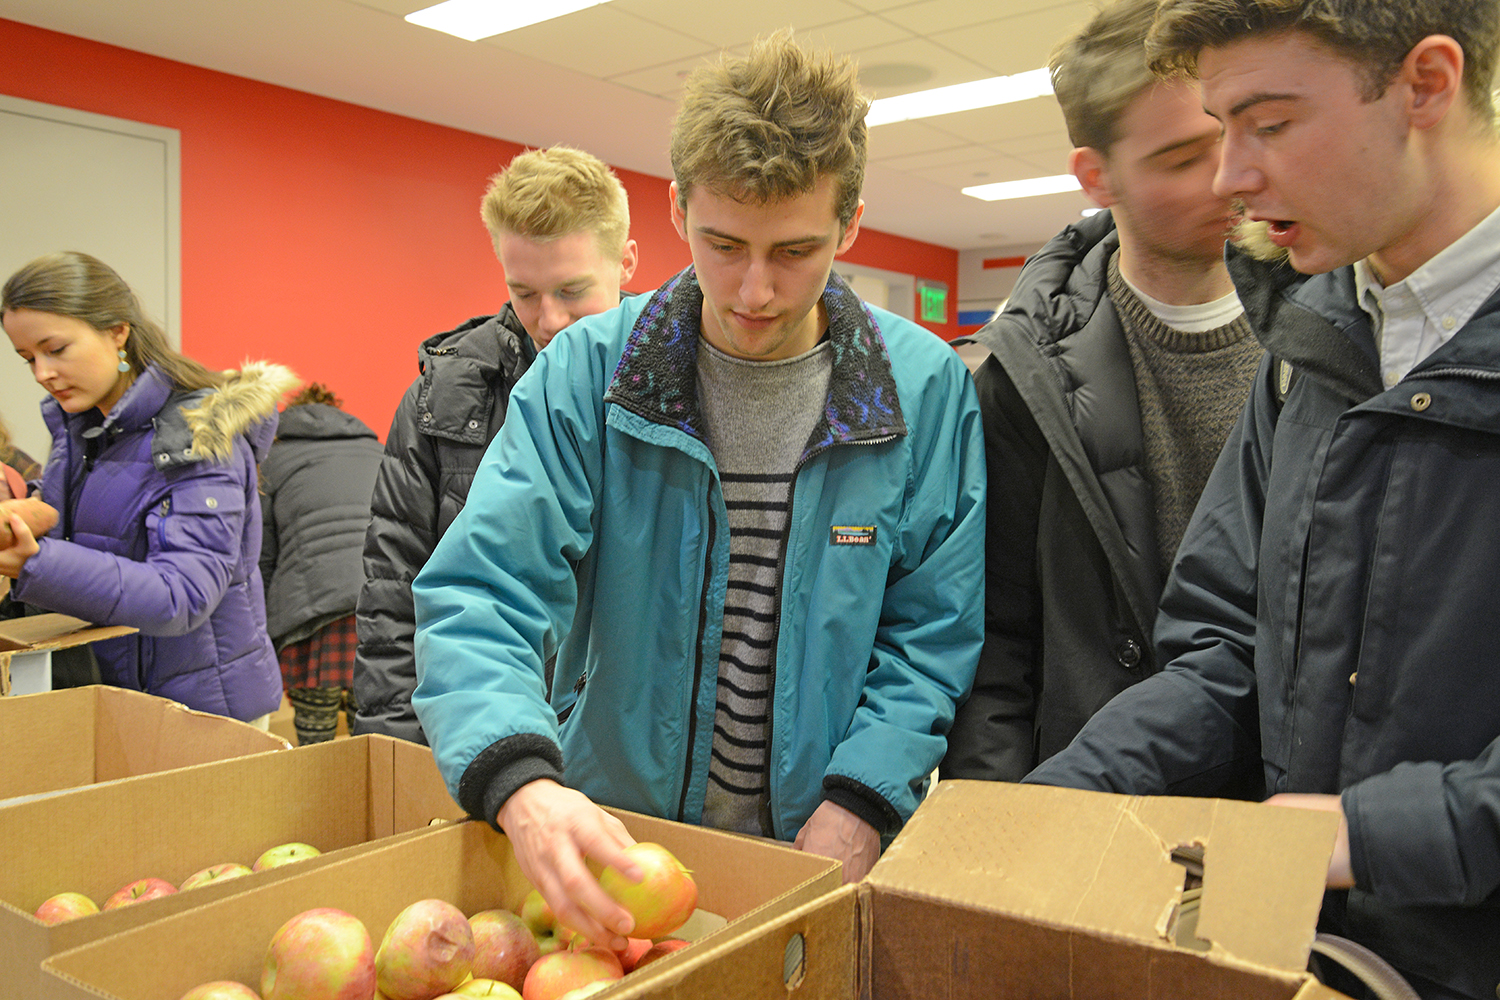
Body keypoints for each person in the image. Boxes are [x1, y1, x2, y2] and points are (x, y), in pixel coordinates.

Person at [410, 32, 984, 948]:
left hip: (821, 848)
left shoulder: (923, 389)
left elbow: (930, 633)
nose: (754, 289)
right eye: (723, 243)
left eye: (795, 249)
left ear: (852, 225)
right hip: (619, 845)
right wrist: (521, 779)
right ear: (676, 210)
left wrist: (865, 795)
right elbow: (482, 592)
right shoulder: (587, 374)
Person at [1024, 2, 1500, 997]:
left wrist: (1366, 833)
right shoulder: (1308, 352)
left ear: (1426, 83)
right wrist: (1067, 796)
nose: (1233, 177)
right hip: (1309, 953)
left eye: (1270, 124)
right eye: (1217, 127)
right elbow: (1232, 642)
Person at [941, 0, 1259, 783]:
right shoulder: (1020, 377)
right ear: (1096, 174)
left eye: (1231, 137)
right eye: (1182, 158)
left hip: (1291, 802)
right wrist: (1000, 832)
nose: (1227, 176)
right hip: (1090, 792)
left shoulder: (1328, 335)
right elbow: (997, 644)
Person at [354, 145, 638, 743]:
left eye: (573, 289)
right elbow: (394, 594)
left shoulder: (681, 388)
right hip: (484, 732)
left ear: (627, 263)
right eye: (525, 292)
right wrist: (399, 751)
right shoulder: (441, 398)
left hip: (622, 741)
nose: (551, 318)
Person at [0, 251, 295, 723]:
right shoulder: (81, 431)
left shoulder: (198, 434)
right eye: (27, 358)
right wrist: (26, 521)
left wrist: (36, 562)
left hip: (204, 717)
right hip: (120, 700)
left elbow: (182, 595)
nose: (42, 374)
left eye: (55, 350)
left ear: (117, 331)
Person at [260, 382, 383, 744]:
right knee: (372, 736)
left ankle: (320, 797)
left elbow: (263, 555)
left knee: (316, 742)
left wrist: (267, 632)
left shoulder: (274, 459)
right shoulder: (377, 450)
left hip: (312, 617)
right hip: (378, 608)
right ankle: (370, 799)